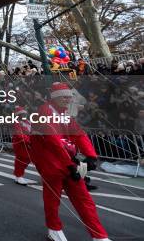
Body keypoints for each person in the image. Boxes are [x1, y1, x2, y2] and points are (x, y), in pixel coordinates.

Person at [30, 82, 110, 241]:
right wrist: (70, 164)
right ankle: (54, 229)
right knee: (53, 199)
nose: (68, 99)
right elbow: (53, 140)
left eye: (69, 96)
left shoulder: (64, 113)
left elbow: (79, 134)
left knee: (84, 198)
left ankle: (99, 235)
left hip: (69, 161)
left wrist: (91, 155)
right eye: (64, 96)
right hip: (51, 163)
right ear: (55, 97)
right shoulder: (44, 111)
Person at [12, 106, 32, 185]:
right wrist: (29, 140)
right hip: (20, 143)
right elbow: (19, 135)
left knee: (27, 159)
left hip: (28, 144)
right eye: (22, 114)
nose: (24, 115)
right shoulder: (16, 123)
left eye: (25, 114)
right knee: (21, 159)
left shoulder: (28, 122)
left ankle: (18, 173)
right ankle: (19, 175)